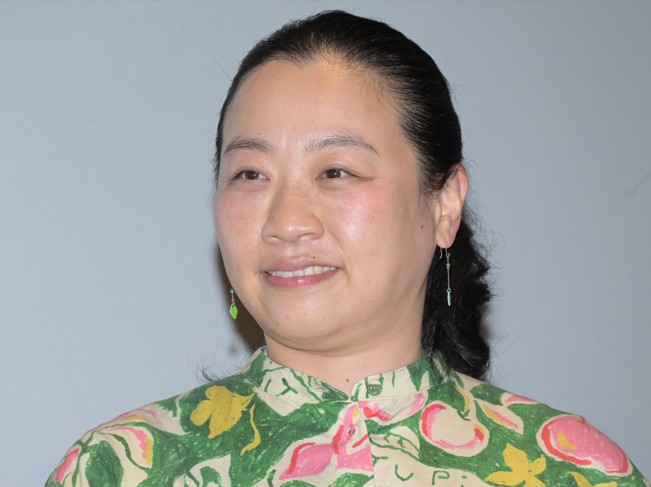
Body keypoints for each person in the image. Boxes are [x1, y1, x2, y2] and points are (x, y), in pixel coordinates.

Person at [46, 10, 647, 487]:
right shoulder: (119, 468)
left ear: (444, 203)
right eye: (250, 174)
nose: (286, 222)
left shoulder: (571, 470)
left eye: (336, 172)